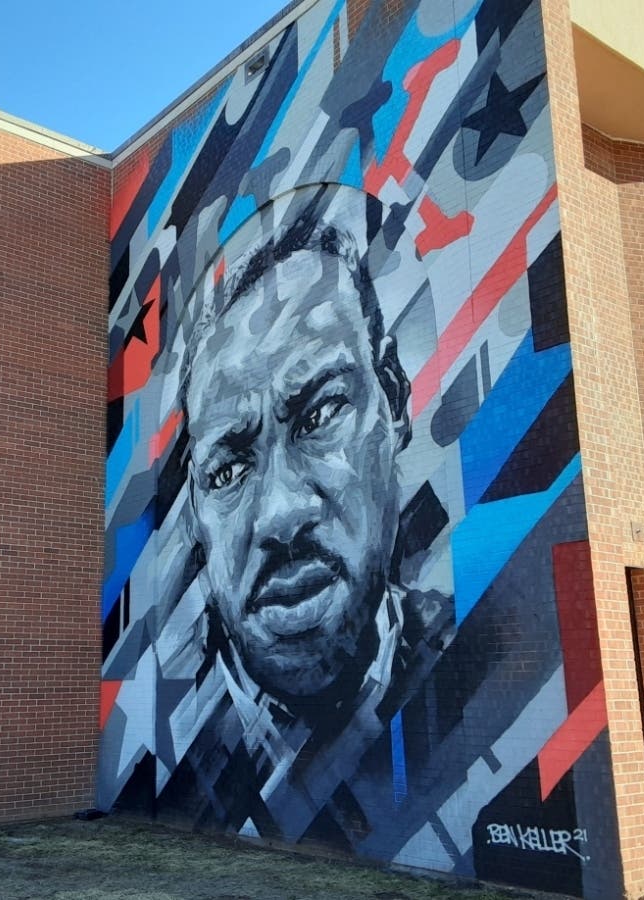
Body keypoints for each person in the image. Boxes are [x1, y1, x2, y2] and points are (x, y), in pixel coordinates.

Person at [167, 195, 456, 845]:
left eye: (321, 414)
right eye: (228, 469)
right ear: (194, 514)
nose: (280, 512)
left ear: (394, 397)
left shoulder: (476, 656)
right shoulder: (174, 757)